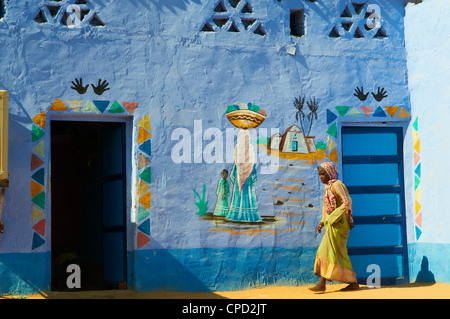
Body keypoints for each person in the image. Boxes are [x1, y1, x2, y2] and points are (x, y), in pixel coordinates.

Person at [309, 162, 359, 292]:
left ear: (329, 173)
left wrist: (332, 219)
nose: (320, 177)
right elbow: (327, 208)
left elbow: (347, 202)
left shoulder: (337, 185)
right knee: (337, 253)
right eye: (319, 174)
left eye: (322, 174)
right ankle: (352, 282)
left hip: (339, 225)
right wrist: (322, 222)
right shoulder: (328, 187)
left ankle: (322, 284)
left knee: (326, 251)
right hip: (332, 225)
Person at [226, 130, 261, 222]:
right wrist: (235, 171)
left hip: (247, 174)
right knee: (240, 194)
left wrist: (252, 172)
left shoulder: (250, 148)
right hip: (240, 174)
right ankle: (237, 215)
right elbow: (236, 162)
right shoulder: (238, 148)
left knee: (246, 194)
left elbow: (252, 162)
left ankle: (247, 216)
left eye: (246, 137)